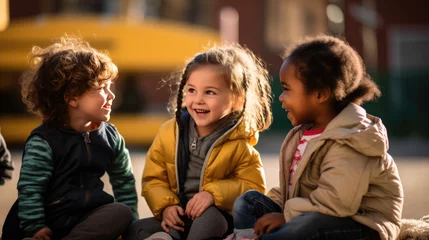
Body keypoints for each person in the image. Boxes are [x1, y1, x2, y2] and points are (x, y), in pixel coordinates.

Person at [232, 34, 404, 240]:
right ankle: (246, 237)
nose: (281, 97)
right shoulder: (302, 134)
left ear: (320, 95)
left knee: (306, 227)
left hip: (362, 224)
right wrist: (274, 208)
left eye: (286, 89)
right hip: (311, 213)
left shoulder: (350, 139)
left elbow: (335, 203)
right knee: (249, 202)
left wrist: (286, 216)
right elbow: (292, 189)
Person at [125, 43, 273, 240]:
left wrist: (212, 195)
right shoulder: (170, 132)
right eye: (192, 90)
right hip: (180, 215)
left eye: (209, 92)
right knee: (136, 229)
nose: (198, 100)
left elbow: (252, 188)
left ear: (238, 99)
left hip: (217, 217)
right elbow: (153, 179)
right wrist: (166, 206)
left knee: (208, 219)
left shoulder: (240, 144)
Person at [2, 36, 138, 240]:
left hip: (85, 220)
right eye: (102, 88)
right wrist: (34, 226)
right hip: (45, 223)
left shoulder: (111, 137)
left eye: (111, 87)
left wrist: (130, 228)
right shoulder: (44, 141)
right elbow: (30, 189)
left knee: (122, 212)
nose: (112, 95)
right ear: (72, 97)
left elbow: (124, 181)